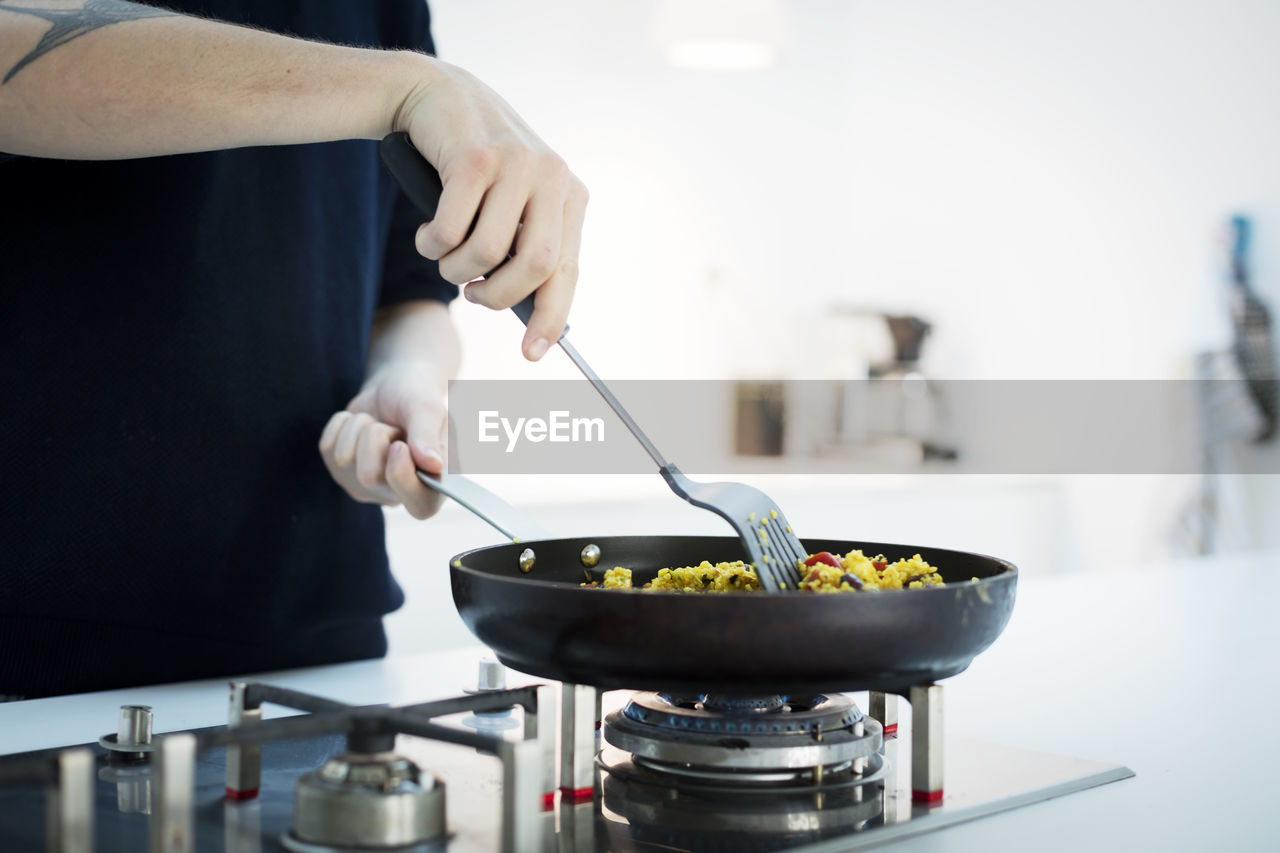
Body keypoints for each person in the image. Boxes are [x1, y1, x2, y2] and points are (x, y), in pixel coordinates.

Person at [0, 0, 588, 698]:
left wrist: (406, 376)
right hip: (36, 648)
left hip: (322, 649)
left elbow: (408, 293)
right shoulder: (405, 78)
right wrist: (401, 88)